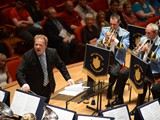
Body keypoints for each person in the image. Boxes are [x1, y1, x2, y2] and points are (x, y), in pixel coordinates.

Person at [16, 34, 75, 103]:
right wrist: (24, 84)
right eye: (36, 44)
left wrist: (68, 78)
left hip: (48, 87)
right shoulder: (28, 56)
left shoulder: (52, 52)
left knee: (45, 107)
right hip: (34, 89)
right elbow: (19, 72)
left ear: (45, 46)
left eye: (40, 45)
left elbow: (61, 65)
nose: (38, 47)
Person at [97, 13, 130, 106]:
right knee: (91, 67)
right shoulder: (104, 30)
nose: (112, 26)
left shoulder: (125, 33)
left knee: (113, 72)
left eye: (114, 24)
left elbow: (125, 48)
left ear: (119, 23)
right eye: (110, 24)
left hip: (116, 59)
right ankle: (90, 90)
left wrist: (115, 41)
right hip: (105, 57)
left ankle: (110, 88)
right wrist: (104, 39)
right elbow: (97, 44)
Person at [130, 23, 160, 116]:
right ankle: (139, 106)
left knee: (142, 81)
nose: (146, 35)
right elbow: (135, 53)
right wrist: (137, 49)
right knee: (130, 74)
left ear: (156, 33)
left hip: (154, 70)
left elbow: (159, 60)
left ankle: (145, 107)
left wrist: (148, 51)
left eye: (149, 33)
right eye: (145, 32)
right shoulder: (143, 39)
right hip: (142, 66)